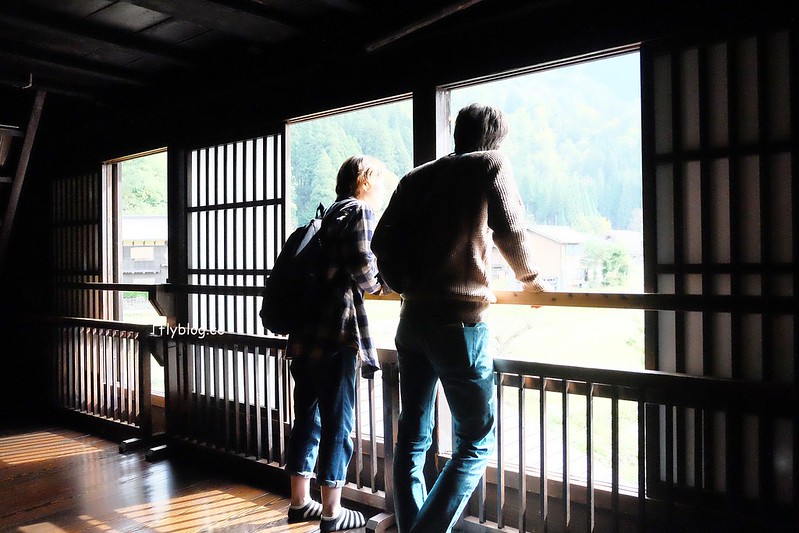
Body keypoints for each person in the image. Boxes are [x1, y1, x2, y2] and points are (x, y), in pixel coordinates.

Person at [371, 103, 546, 533]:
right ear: (497, 138)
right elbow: (511, 229)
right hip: (459, 323)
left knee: (412, 437)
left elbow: (381, 239)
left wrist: (404, 282)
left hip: (412, 320)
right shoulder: (489, 165)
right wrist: (532, 280)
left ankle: (413, 526)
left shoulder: (417, 176)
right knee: (475, 440)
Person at [284, 155, 391, 532]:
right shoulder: (359, 211)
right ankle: (332, 510)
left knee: (308, 419)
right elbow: (364, 265)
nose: (380, 190)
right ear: (364, 180)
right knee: (338, 424)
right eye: (378, 182)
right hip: (335, 336)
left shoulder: (326, 215)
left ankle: (300, 502)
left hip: (304, 338)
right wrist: (380, 285)